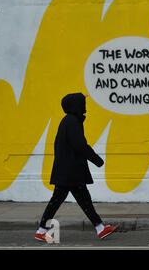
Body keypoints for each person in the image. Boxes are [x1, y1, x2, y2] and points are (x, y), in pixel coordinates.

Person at [35, 93, 118, 242]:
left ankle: (100, 228)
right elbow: (80, 145)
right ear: (76, 105)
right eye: (82, 102)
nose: (85, 105)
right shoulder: (72, 122)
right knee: (70, 200)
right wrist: (97, 160)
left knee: (79, 200)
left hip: (68, 170)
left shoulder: (68, 121)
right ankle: (41, 230)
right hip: (70, 171)